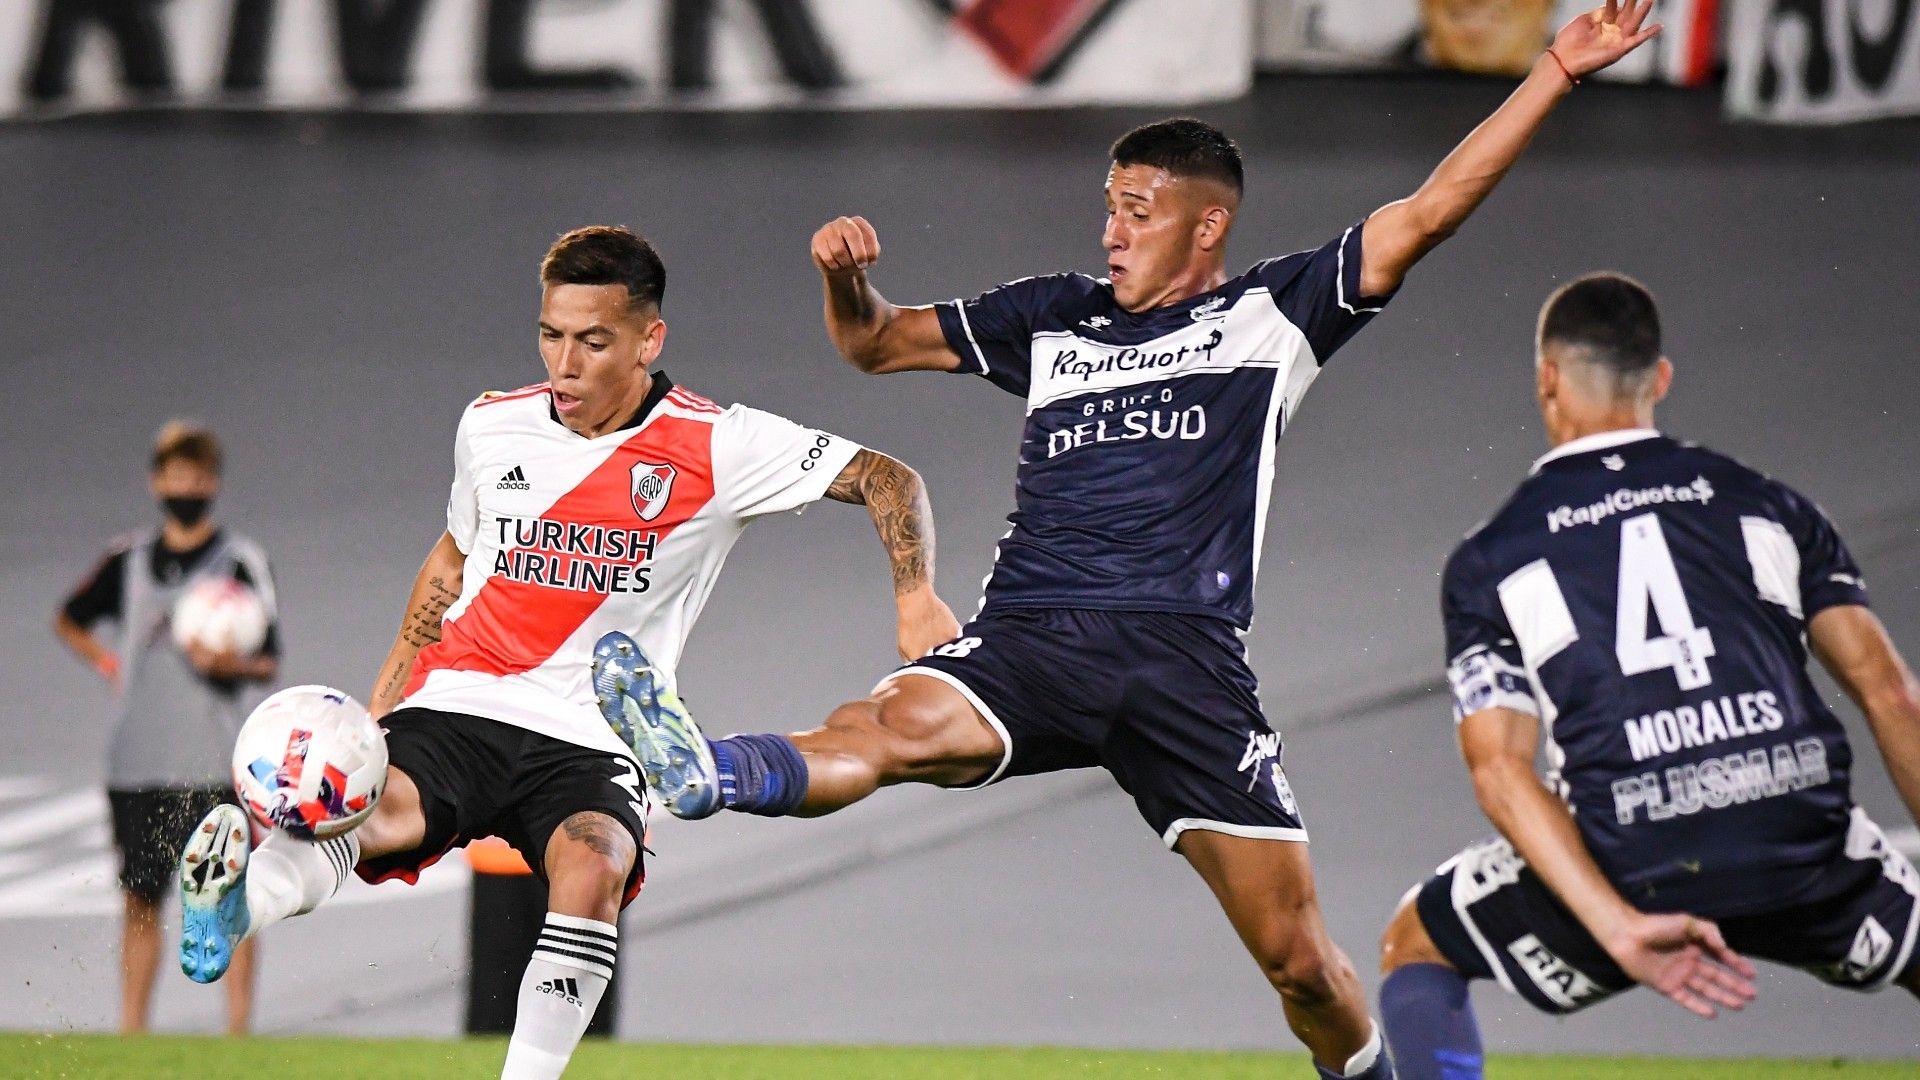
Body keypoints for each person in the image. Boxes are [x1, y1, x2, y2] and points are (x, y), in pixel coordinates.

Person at [594, 6, 1663, 1078]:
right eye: (1109, 207)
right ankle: (710, 770)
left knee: (1300, 964)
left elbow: (1428, 213)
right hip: (1032, 639)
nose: (1111, 230)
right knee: (891, 725)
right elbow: (875, 344)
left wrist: (1557, 70)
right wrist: (844, 279)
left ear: (1206, 228)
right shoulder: (1056, 315)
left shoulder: (1273, 314)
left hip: (1184, 662)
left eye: (1138, 211)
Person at [173, 225, 953, 1080]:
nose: (565, 363)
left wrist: (915, 596)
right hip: (464, 700)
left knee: (595, 866)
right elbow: (450, 563)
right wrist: (383, 709)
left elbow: (889, 479)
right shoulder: (490, 425)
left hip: (596, 730)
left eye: (593, 340)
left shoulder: (719, 444)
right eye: (551, 335)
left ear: (649, 340)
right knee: (369, 814)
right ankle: (234, 904)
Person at [1374, 274, 1920, 1080]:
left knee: (1414, 946)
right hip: (1799, 842)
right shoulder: (1768, 504)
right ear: (1660, 378)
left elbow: (1499, 771)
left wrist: (1619, 926)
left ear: (1547, 378)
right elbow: (1890, 694)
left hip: (1634, 856)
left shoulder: (1494, 555)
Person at [55, 421, 279, 1034]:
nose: (188, 485)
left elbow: (269, 658)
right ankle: (133, 1036)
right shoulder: (126, 558)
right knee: (138, 899)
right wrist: (109, 662)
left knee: (227, 897)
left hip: (214, 760)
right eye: (177, 474)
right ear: (157, 481)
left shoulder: (240, 560)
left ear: (214, 483)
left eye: (199, 476)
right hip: (138, 759)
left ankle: (237, 1037)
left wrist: (225, 663)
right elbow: (71, 617)